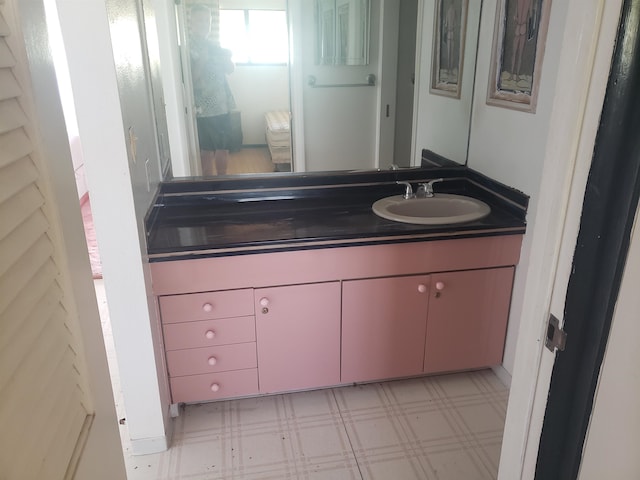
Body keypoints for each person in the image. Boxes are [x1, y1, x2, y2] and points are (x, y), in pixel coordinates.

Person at [189, 4, 236, 176]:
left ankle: (222, 182)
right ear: (191, 22)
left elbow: (230, 70)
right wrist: (202, 60)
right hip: (203, 109)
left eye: (207, 21)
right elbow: (189, 81)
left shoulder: (214, 44)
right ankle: (208, 187)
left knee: (223, 148)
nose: (204, 24)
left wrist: (227, 60)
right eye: (200, 20)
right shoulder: (186, 47)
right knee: (206, 151)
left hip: (223, 105)